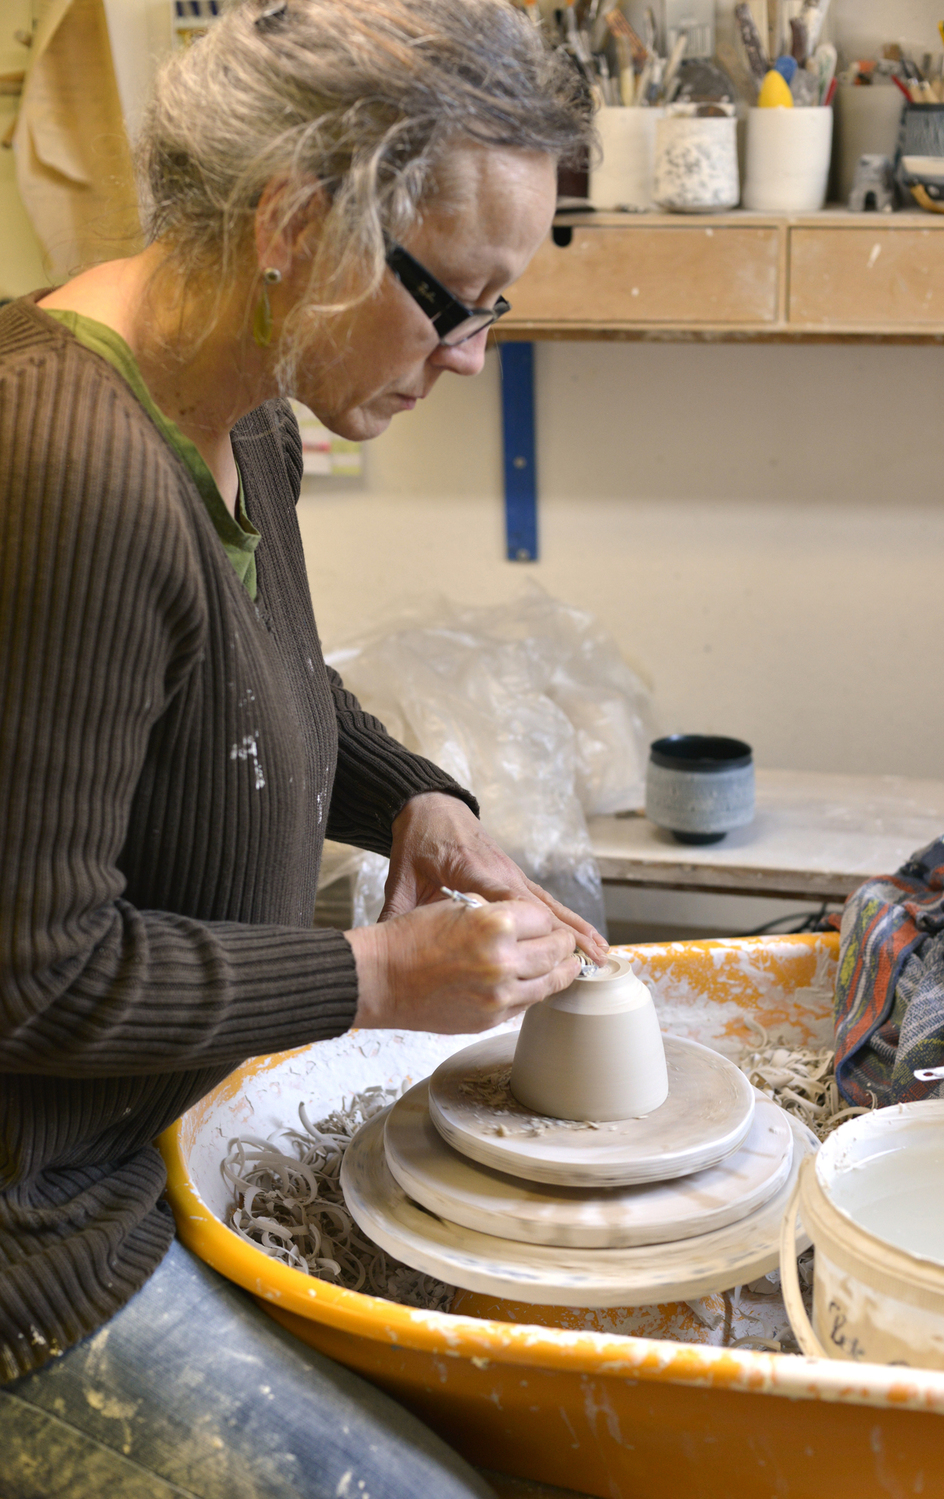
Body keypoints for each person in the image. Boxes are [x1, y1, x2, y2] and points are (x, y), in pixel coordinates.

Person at [0, 2, 599, 1492]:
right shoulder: (63, 472)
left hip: (141, 1142)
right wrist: (377, 978)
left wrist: (418, 805)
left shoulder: (249, 404)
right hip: (33, 1240)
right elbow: (31, 976)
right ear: (294, 225)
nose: (469, 358)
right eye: (456, 301)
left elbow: (257, 695)